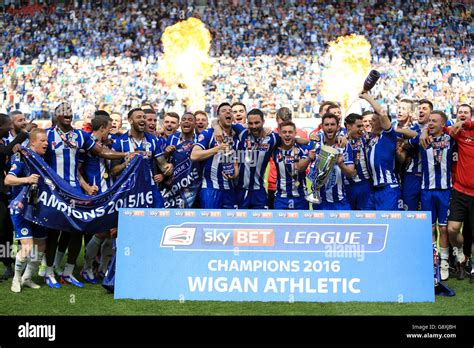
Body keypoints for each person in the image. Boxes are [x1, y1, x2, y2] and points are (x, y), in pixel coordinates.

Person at [43, 102, 128, 289]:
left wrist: (126, 153)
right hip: (55, 191)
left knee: (77, 231)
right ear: (56, 116)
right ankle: (49, 272)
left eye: (70, 111)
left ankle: (68, 271)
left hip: (75, 191)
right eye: (63, 112)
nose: (67, 114)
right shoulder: (47, 136)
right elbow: (35, 155)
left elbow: (101, 151)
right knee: (54, 231)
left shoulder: (80, 135)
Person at [411, 111, 455, 280]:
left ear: (442, 124)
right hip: (427, 189)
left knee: (444, 227)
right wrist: (421, 132)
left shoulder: (451, 139)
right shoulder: (422, 139)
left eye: (434, 121)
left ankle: (444, 262)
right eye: (429, 121)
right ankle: (432, 261)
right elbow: (406, 136)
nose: (430, 123)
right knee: (429, 227)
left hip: (445, 189)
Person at [5, 128, 48, 292]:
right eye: (42, 141)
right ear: (33, 142)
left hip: (39, 208)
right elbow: (8, 179)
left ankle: (27, 277)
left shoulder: (44, 160)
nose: (46, 144)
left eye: (46, 141)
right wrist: (27, 179)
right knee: (27, 247)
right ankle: (16, 279)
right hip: (21, 208)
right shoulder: (21, 158)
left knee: (40, 246)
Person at [78, 113, 115, 284]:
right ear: (102, 128)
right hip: (96, 192)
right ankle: (86, 269)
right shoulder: (86, 143)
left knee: (110, 232)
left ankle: (102, 269)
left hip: (109, 192)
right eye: (109, 128)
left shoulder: (108, 142)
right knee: (100, 232)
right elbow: (76, 168)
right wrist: (86, 187)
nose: (111, 131)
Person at [111, 108, 173, 209]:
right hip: (128, 189)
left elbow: (163, 166)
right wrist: (126, 163)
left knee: (159, 213)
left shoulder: (153, 140)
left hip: (150, 187)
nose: (143, 120)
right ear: (130, 120)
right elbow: (113, 171)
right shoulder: (120, 142)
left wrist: (169, 167)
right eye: (138, 117)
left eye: (144, 117)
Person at [190, 103, 239, 209]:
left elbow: (235, 159)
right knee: (210, 223)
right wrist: (217, 149)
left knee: (229, 224)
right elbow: (194, 155)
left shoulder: (237, 134)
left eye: (230, 110)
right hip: (210, 189)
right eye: (223, 110)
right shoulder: (208, 133)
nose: (228, 112)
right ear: (218, 117)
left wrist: (235, 173)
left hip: (230, 189)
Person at [360, 92, 403, 211]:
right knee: (368, 223)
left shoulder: (388, 136)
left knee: (389, 224)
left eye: (374, 120)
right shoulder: (371, 140)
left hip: (388, 188)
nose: (370, 123)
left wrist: (366, 97)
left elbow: (382, 113)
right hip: (374, 189)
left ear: (382, 122)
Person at [0, 113, 28, 280]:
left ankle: (8, 264)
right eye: (8, 125)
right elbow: (3, 151)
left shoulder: (4, 141)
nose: (10, 128)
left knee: (5, 229)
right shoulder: (4, 144)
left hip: (3, 192)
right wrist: (23, 136)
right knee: (3, 229)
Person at [309, 113, 355, 210]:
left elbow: (351, 173)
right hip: (320, 202)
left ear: (338, 127)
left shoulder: (344, 145)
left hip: (340, 201)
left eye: (332, 124)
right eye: (327, 125)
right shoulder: (315, 145)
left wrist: (341, 164)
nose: (329, 127)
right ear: (322, 127)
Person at [235, 108, 279, 209]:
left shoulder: (273, 138)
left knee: (261, 224)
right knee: (239, 224)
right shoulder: (242, 132)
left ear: (263, 122)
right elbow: (216, 122)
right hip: (240, 191)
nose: (254, 126)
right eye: (250, 123)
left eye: (257, 123)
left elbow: (290, 139)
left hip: (259, 191)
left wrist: (309, 138)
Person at [267, 107, 308, 209]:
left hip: (299, 190)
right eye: (281, 126)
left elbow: (312, 142)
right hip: (276, 186)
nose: (287, 134)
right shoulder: (273, 138)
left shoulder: (300, 136)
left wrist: (305, 141)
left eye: (290, 132)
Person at [271, 121, 314, 210]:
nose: (287, 135)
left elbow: (300, 168)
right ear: (279, 133)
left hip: (301, 198)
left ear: (295, 134)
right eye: (284, 132)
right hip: (281, 198)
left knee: (301, 224)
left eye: (290, 132)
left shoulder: (303, 149)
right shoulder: (274, 149)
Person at [344, 113, 371, 210]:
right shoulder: (340, 142)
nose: (361, 129)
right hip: (347, 186)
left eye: (362, 126)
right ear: (349, 127)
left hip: (364, 185)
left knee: (366, 217)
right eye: (358, 126)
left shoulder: (366, 139)